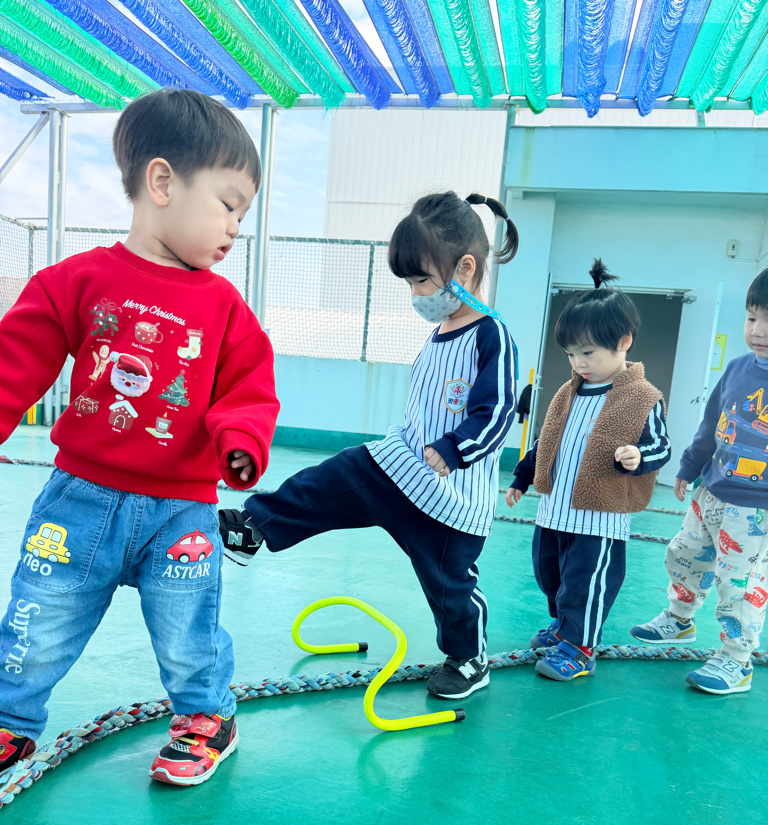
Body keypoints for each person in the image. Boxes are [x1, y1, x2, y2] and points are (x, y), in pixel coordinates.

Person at [0, 89, 279, 785]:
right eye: (228, 204)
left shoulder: (225, 309)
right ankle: (10, 720)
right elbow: (15, 359)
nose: (235, 228)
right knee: (39, 617)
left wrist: (241, 440)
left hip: (181, 510)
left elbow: (249, 385)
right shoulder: (75, 282)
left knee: (189, 631)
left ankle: (208, 717)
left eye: (242, 214)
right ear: (162, 182)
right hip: (79, 499)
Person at [219, 192, 518, 700]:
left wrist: (455, 448)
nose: (415, 294)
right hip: (401, 466)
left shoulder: (491, 336)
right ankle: (254, 526)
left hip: (452, 499)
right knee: (334, 478)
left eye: (421, 280)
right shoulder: (440, 332)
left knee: (450, 585)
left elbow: (499, 410)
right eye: (410, 283)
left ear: (464, 269)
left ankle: (469, 658)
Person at [508, 260, 670, 681]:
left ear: (623, 342)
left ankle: (580, 648)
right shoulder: (568, 392)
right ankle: (563, 625)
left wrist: (638, 455)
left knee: (587, 582)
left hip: (600, 517)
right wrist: (522, 477)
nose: (578, 362)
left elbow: (661, 446)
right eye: (571, 354)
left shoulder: (642, 397)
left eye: (588, 353)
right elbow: (548, 442)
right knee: (551, 575)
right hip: (554, 511)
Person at [631, 268, 768, 694]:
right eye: (752, 317)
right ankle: (679, 619)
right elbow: (711, 425)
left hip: (756, 510)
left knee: (738, 585)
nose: (758, 331)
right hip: (711, 491)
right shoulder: (738, 369)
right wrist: (689, 467)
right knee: (684, 554)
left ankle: (737, 660)